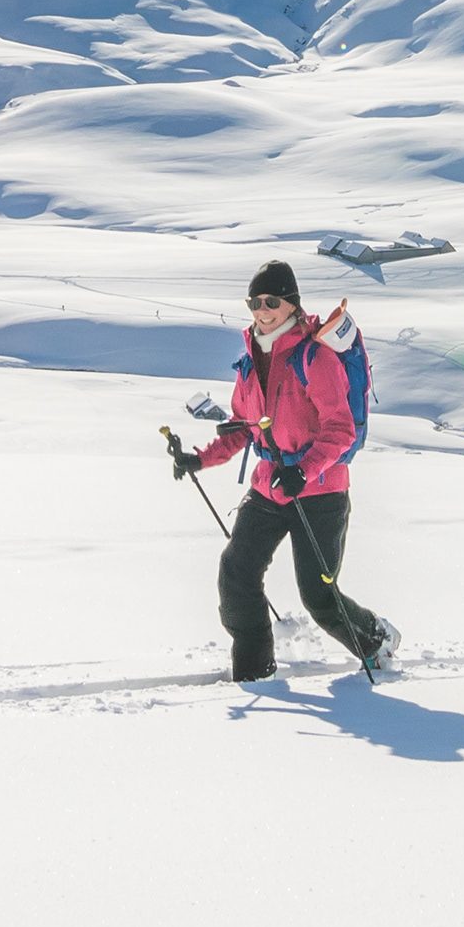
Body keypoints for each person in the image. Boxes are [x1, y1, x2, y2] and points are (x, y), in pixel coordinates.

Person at [174, 259, 402, 683]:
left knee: (318, 596)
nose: (262, 309)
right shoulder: (250, 361)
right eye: (254, 301)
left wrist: (305, 470)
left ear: (292, 304)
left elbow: (340, 430)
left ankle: (374, 639)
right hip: (270, 488)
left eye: (271, 300)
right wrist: (199, 459)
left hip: (321, 494)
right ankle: (254, 671)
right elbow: (242, 429)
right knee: (237, 573)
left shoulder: (315, 357)